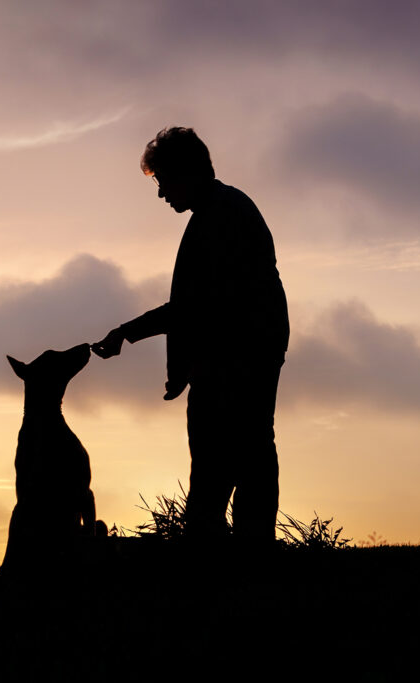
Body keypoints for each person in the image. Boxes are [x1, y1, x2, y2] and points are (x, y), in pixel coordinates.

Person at [91, 127, 288, 548]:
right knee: (249, 453)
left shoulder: (220, 218)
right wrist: (181, 366)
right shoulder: (221, 211)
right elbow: (197, 307)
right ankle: (245, 550)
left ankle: (224, 552)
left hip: (235, 360)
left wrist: (128, 333)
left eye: (164, 181)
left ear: (187, 173)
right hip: (244, 354)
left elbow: (194, 307)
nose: (162, 194)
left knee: (227, 462)